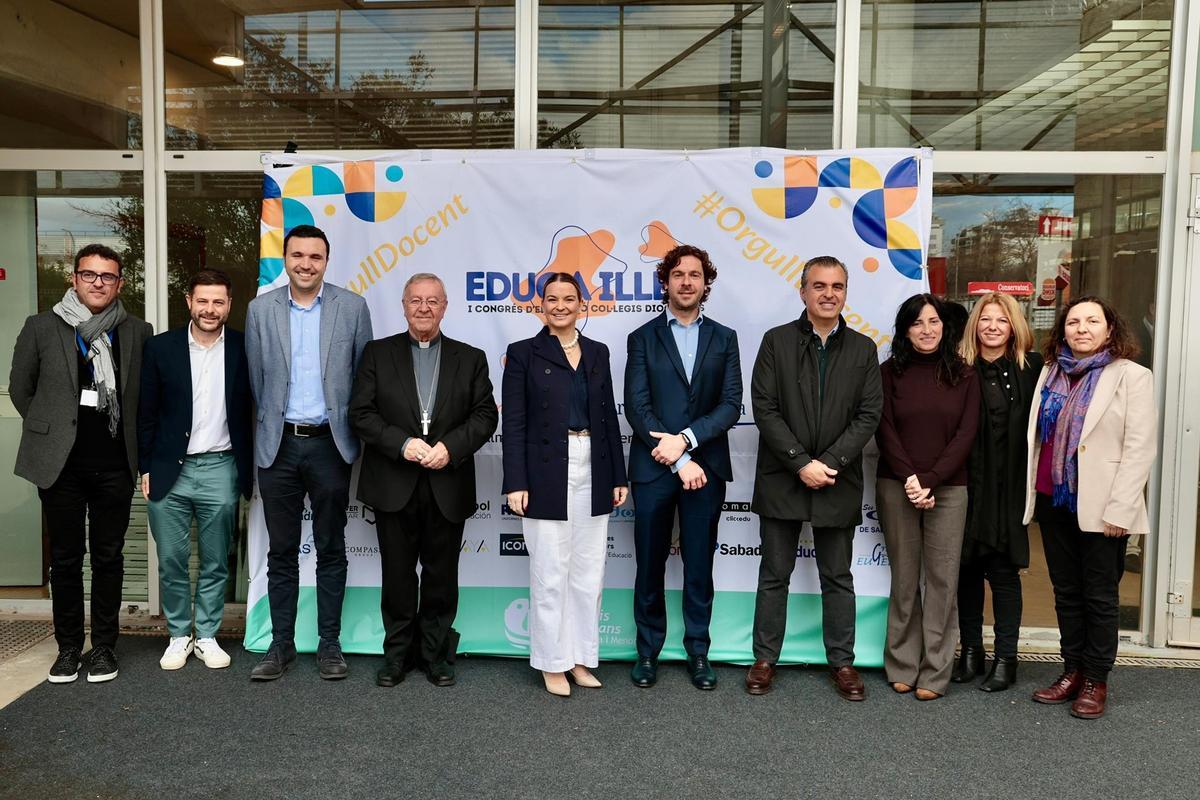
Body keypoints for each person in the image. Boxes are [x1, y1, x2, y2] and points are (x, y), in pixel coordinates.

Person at [10, 243, 153, 684]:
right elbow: (21, 389)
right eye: (89, 274)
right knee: (68, 559)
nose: (97, 283)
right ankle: (69, 647)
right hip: (61, 467)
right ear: (74, 278)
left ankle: (105, 646)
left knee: (109, 558)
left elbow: (144, 398)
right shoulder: (41, 326)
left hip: (114, 465)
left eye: (107, 277)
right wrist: (54, 431)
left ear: (120, 283)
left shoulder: (137, 332)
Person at [349, 273, 497, 688]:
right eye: (416, 300)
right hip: (394, 482)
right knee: (396, 576)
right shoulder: (377, 354)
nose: (424, 308)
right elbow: (361, 414)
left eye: (433, 301)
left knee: (440, 576)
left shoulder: (470, 357)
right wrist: (402, 444)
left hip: (446, 482)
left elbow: (485, 415)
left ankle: (435, 656)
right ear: (403, 305)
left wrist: (449, 447)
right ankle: (396, 656)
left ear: (445, 306)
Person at [745, 256, 882, 700]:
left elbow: (868, 414)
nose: (828, 294)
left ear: (846, 292)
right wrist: (800, 462)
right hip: (783, 477)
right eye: (819, 285)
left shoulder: (863, 349)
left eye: (837, 286)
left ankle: (843, 663)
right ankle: (765, 659)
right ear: (802, 291)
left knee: (838, 576)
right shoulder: (776, 342)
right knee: (774, 574)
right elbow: (763, 408)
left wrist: (833, 462)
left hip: (837, 480)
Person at [244, 224, 373, 681]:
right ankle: (280, 646)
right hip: (276, 446)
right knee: (281, 551)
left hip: (329, 446)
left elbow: (364, 379)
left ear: (326, 260)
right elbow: (255, 382)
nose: (305, 264)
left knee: (331, 548)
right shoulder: (260, 310)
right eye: (297, 255)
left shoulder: (352, 308)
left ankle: (329, 644)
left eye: (314, 257)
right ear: (285, 258)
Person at [1024, 296, 1155, 719]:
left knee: (1100, 596)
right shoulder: (1049, 372)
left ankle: (1097, 679)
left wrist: (1122, 507)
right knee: (1066, 593)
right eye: (1074, 321)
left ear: (1109, 330)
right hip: (1053, 498)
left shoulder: (1132, 376)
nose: (1081, 328)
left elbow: (1139, 448)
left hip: (1104, 505)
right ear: (1063, 330)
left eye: (1091, 321)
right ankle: (1072, 672)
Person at [502, 273, 627, 696]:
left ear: (581, 304)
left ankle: (579, 659)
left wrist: (618, 476)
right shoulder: (523, 353)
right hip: (544, 470)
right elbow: (514, 422)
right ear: (541, 306)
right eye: (552, 299)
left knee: (589, 573)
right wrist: (516, 481)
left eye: (568, 298)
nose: (560, 305)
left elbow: (608, 416)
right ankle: (551, 663)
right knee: (550, 572)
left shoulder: (597, 352)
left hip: (595, 464)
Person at [624, 244, 742, 690]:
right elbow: (637, 407)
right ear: (666, 282)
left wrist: (687, 445)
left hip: (705, 469)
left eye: (695, 275)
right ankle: (647, 653)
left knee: (699, 565)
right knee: (649, 565)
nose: (687, 282)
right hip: (654, 471)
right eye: (678, 275)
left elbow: (732, 404)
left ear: (705, 283)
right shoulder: (642, 338)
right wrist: (675, 458)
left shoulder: (725, 338)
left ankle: (698, 652)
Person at [138, 269, 253, 671]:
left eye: (218, 301)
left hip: (221, 467)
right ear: (189, 301)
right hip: (169, 469)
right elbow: (145, 413)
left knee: (215, 559)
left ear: (229, 305)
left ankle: (206, 635)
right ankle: (178, 635)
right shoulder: (160, 348)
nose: (210, 309)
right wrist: (145, 465)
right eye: (202, 300)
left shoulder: (243, 347)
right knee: (171, 557)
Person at [875, 293, 980, 701]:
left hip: (950, 488)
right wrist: (912, 481)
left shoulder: (964, 374)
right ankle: (902, 663)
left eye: (933, 322)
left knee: (941, 581)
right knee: (904, 579)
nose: (926, 330)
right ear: (905, 329)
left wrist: (932, 481)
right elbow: (885, 431)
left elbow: (965, 435)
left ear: (945, 326)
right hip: (897, 485)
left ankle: (935, 671)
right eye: (917, 323)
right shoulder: (887, 373)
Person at [951, 292, 1042, 692]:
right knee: (965, 573)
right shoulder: (956, 368)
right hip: (967, 484)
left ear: (1014, 326)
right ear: (975, 325)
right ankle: (971, 652)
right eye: (985, 319)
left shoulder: (1033, 368)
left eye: (1001, 320)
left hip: (1008, 489)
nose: (992, 326)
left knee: (1004, 575)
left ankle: (1007, 658)